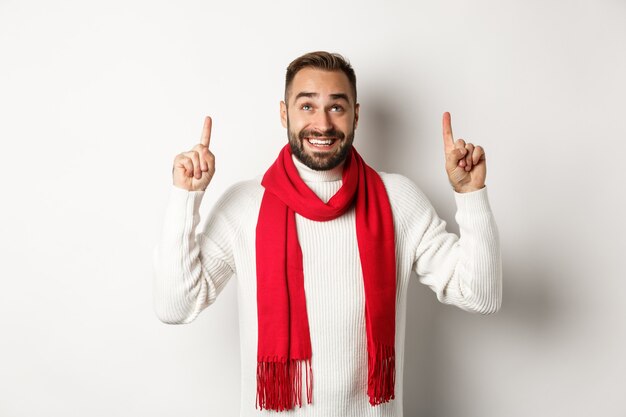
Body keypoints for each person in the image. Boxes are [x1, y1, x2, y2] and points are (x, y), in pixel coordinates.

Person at [153, 51, 502, 417]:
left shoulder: (398, 200)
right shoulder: (244, 205)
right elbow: (175, 306)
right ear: (284, 113)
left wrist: (471, 194)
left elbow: (481, 295)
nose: (322, 123)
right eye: (307, 106)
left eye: (337, 107)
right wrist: (185, 197)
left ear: (356, 115)